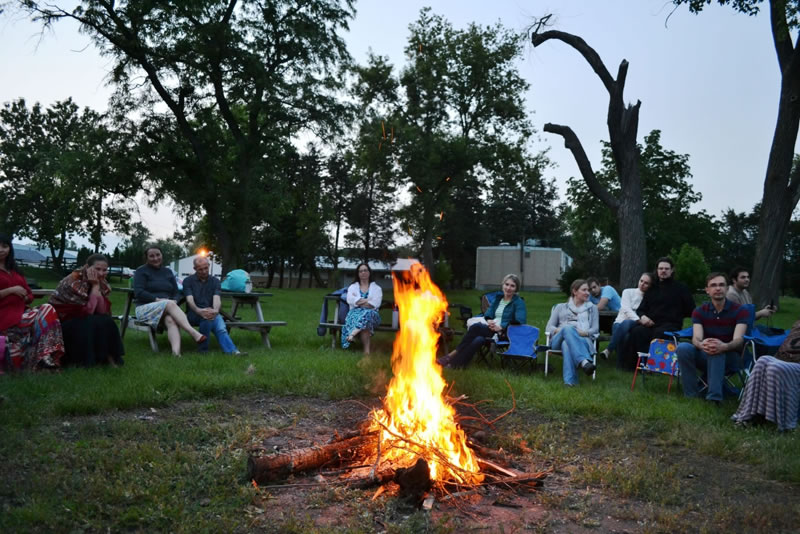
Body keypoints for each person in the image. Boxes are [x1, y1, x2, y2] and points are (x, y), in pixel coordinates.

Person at [676, 272, 749, 404]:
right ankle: (691, 395)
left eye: (721, 285)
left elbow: (739, 341)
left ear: (727, 288)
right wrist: (701, 344)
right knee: (683, 348)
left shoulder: (740, 311)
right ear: (707, 290)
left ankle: (714, 398)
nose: (718, 288)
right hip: (706, 353)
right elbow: (696, 338)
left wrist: (724, 346)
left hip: (732, 357)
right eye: (713, 285)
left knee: (716, 350)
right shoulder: (699, 311)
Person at [0, 234, 64, 370]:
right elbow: (15, 290)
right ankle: (44, 357)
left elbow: (29, 294)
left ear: (9, 249)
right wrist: (11, 290)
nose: (1, 250)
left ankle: (46, 356)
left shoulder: (15, 271)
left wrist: (24, 297)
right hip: (4, 316)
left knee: (47, 309)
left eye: (4, 246)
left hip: (22, 313)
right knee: (45, 315)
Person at [619, 257, 695, 371]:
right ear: (657, 270)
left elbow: (691, 309)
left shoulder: (681, 288)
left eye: (666, 268)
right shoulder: (652, 289)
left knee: (659, 333)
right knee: (637, 332)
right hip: (651, 324)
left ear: (672, 270)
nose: (663, 271)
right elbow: (641, 309)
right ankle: (636, 366)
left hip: (670, 325)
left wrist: (676, 314)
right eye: (661, 268)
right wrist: (643, 317)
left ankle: (656, 366)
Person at [49, 253, 125, 366]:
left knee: (106, 320)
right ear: (87, 267)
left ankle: (110, 358)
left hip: (83, 317)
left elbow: (102, 311)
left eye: (104, 270)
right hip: (62, 322)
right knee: (89, 322)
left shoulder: (101, 282)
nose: (101, 273)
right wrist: (95, 286)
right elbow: (88, 311)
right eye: (97, 269)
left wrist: (96, 286)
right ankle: (85, 361)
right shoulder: (73, 281)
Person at [133, 245, 206, 357]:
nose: (155, 258)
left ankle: (176, 354)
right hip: (145, 309)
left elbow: (176, 292)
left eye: (158, 255)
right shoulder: (141, 271)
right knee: (169, 303)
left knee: (171, 320)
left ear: (162, 255)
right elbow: (139, 292)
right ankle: (193, 333)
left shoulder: (168, 272)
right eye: (151, 256)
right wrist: (157, 300)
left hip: (167, 307)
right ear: (146, 258)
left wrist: (175, 301)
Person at [441, 273, 526, 369]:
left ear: (516, 288)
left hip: (505, 333)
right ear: (503, 285)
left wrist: (501, 327)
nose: (508, 288)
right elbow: (489, 312)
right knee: (479, 340)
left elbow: (520, 320)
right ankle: (455, 364)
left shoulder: (518, 302)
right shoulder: (499, 299)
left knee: (476, 327)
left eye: (512, 286)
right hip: (492, 329)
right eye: (506, 284)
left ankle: (450, 356)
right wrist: (489, 320)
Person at [732, 319, 800, 431]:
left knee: (775, 367)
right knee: (762, 360)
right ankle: (749, 414)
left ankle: (779, 420)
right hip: (786, 360)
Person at [183, 256, 244, 355]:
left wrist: (215, 310)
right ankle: (204, 350)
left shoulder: (215, 281)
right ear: (195, 269)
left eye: (206, 268)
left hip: (211, 312)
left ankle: (233, 352)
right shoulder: (188, 281)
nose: (204, 271)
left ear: (209, 266)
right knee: (208, 319)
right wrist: (199, 311)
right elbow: (189, 300)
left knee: (220, 329)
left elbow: (217, 298)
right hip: (194, 313)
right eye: (200, 269)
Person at [546, 279, 599, 386]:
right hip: (558, 340)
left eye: (588, 290)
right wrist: (563, 330)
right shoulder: (560, 307)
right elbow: (549, 327)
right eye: (584, 290)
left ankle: (570, 382)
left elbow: (595, 329)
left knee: (566, 344)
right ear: (575, 291)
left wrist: (583, 333)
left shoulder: (592, 308)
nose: (588, 293)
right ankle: (584, 361)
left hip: (582, 339)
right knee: (568, 329)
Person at [599, 272, 653, 367]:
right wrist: (639, 319)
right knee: (625, 334)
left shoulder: (649, 297)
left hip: (637, 325)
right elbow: (626, 309)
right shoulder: (627, 292)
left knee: (628, 324)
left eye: (646, 283)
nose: (642, 284)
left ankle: (609, 350)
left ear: (650, 285)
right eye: (641, 281)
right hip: (620, 322)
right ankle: (621, 365)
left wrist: (639, 321)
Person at [342, 263, 383, 354]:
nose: (363, 272)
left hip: (373, 315)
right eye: (360, 271)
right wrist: (368, 300)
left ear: (369, 272)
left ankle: (352, 334)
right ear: (358, 274)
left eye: (365, 270)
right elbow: (350, 300)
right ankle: (366, 352)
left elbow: (376, 304)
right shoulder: (352, 287)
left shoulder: (377, 288)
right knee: (366, 325)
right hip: (354, 314)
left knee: (368, 314)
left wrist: (358, 302)